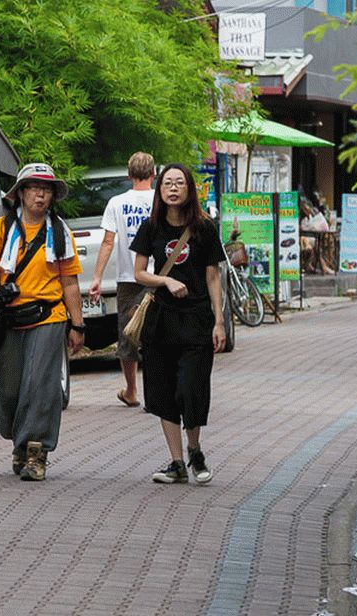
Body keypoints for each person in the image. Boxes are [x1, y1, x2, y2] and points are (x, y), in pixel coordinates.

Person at [0, 163, 85, 481]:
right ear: (20, 193)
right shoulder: (2, 229)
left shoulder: (59, 231)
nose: (40, 194)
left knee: (40, 386)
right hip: (10, 319)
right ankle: (19, 442)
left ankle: (36, 451)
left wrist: (77, 324)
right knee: (9, 390)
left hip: (49, 317)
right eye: (33, 188)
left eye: (46, 189)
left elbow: (70, 282)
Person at [130, 163, 226, 484]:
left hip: (197, 319)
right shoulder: (151, 227)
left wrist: (219, 320)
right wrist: (165, 282)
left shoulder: (204, 229)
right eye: (167, 183)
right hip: (161, 319)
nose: (173, 188)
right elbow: (139, 272)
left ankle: (194, 449)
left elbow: (213, 276)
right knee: (163, 392)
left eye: (179, 183)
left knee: (191, 388)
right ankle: (176, 462)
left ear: (189, 190)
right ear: (159, 190)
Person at [88, 151, 156, 408]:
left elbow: (108, 242)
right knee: (155, 334)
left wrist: (96, 277)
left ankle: (131, 390)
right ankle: (156, 391)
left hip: (128, 277)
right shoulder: (161, 200)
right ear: (154, 174)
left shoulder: (116, 202)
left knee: (128, 333)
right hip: (158, 276)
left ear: (129, 175)